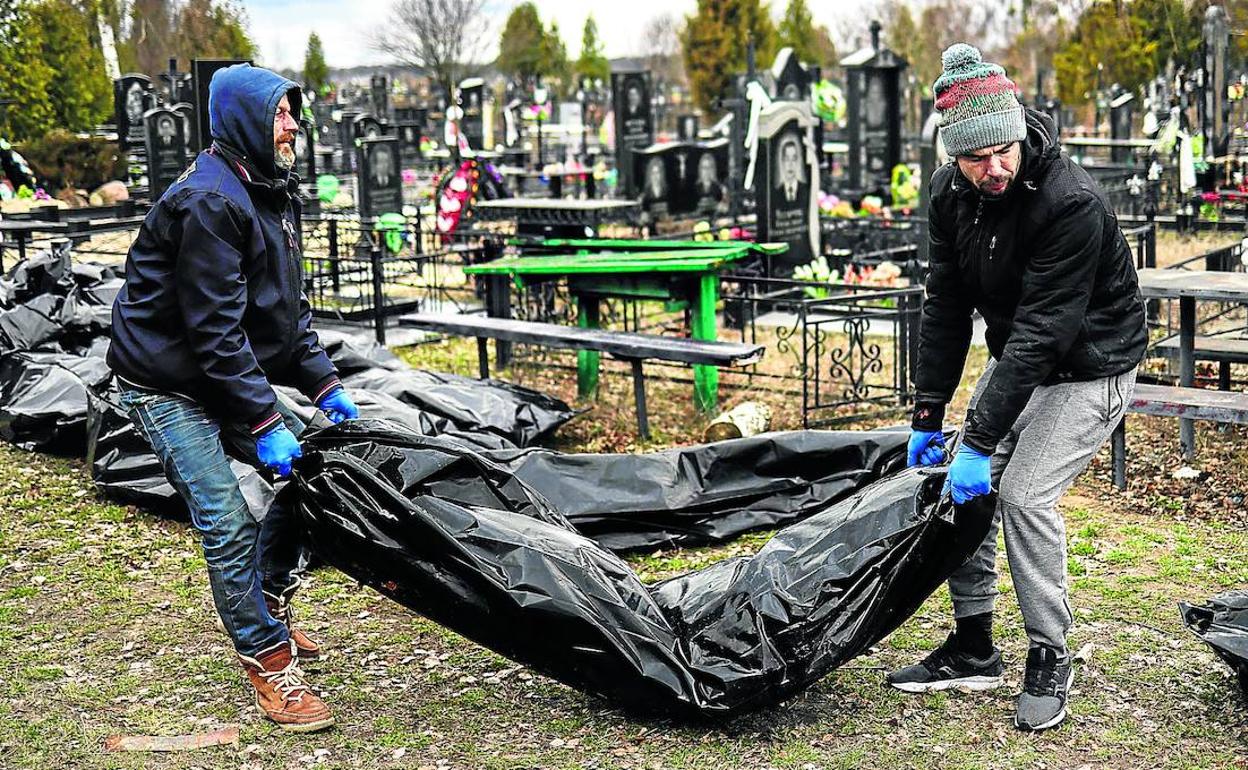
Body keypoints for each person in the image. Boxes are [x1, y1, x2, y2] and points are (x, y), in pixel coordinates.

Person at [890, 44, 1147, 732]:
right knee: (957, 488)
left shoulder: (1071, 203)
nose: (995, 168)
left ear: (1018, 131)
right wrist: (929, 414)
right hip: (1024, 366)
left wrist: (979, 437)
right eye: (977, 159)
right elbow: (945, 303)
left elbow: (1043, 330)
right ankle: (974, 645)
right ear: (953, 156)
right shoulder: (950, 195)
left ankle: (1048, 653)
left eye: (1003, 150)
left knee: (1024, 495)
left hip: (1092, 366)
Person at [108, 63, 358, 733]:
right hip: (163, 382)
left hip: (214, 371)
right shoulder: (209, 201)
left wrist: (325, 384)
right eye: (280, 112)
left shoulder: (265, 190)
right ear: (245, 117)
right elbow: (214, 330)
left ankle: (267, 602)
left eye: (292, 112)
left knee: (315, 478)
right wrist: (264, 419)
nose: (292, 125)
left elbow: (285, 312)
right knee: (225, 520)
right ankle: (270, 665)